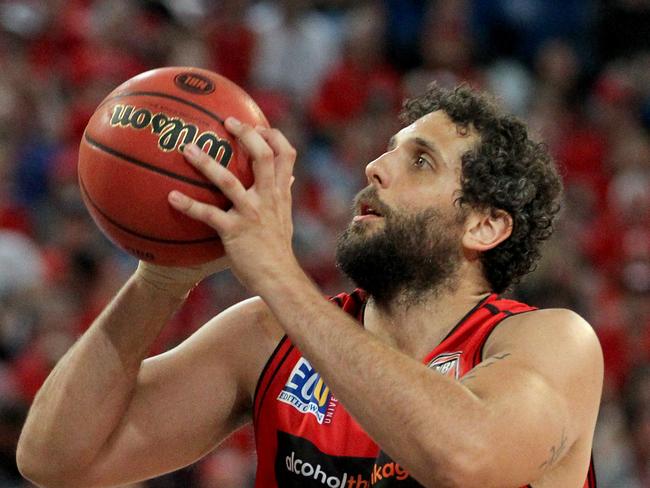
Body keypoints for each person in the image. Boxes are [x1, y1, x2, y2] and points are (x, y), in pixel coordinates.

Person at [16, 84, 602, 488]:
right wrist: (162, 275)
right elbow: (55, 460)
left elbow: (465, 459)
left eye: (420, 161)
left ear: (485, 224)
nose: (376, 167)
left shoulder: (552, 343)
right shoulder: (266, 338)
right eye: (388, 149)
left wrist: (276, 271)